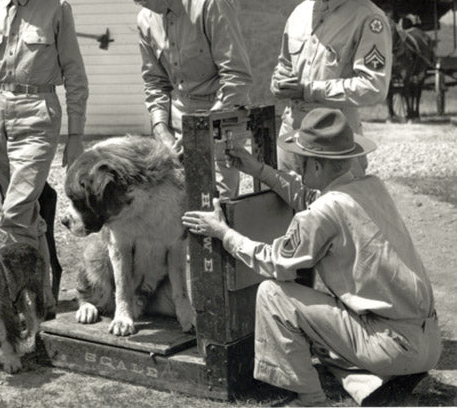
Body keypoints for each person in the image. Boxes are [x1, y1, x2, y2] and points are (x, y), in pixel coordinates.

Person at [182, 107, 440, 406]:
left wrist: (223, 233)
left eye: (301, 161)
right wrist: (259, 170)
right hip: (427, 342)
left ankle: (310, 398)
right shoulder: (371, 186)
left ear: (316, 165)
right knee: (325, 329)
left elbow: (274, 262)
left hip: (390, 344)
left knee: (273, 295)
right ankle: (378, 382)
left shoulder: (323, 212)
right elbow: (313, 198)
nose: (296, 165)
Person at [0, 0, 88, 315]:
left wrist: (75, 135)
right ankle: (42, 301)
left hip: (38, 114)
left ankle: (4, 308)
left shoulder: (55, 9)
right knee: (30, 216)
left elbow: (75, 75)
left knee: (14, 214)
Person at [115, 0, 252, 197]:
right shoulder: (145, 20)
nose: (148, 6)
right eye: (140, 1)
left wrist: (202, 129)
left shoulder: (210, 3)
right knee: (185, 201)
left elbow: (237, 77)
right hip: (181, 123)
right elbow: (155, 83)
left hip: (222, 118)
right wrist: (161, 129)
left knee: (220, 203)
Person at [272, 0, 392, 174]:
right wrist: (278, 81)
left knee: (336, 201)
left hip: (335, 145)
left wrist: (309, 90)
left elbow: (374, 87)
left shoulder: (367, 18)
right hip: (291, 138)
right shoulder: (299, 14)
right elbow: (283, 65)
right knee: (284, 199)